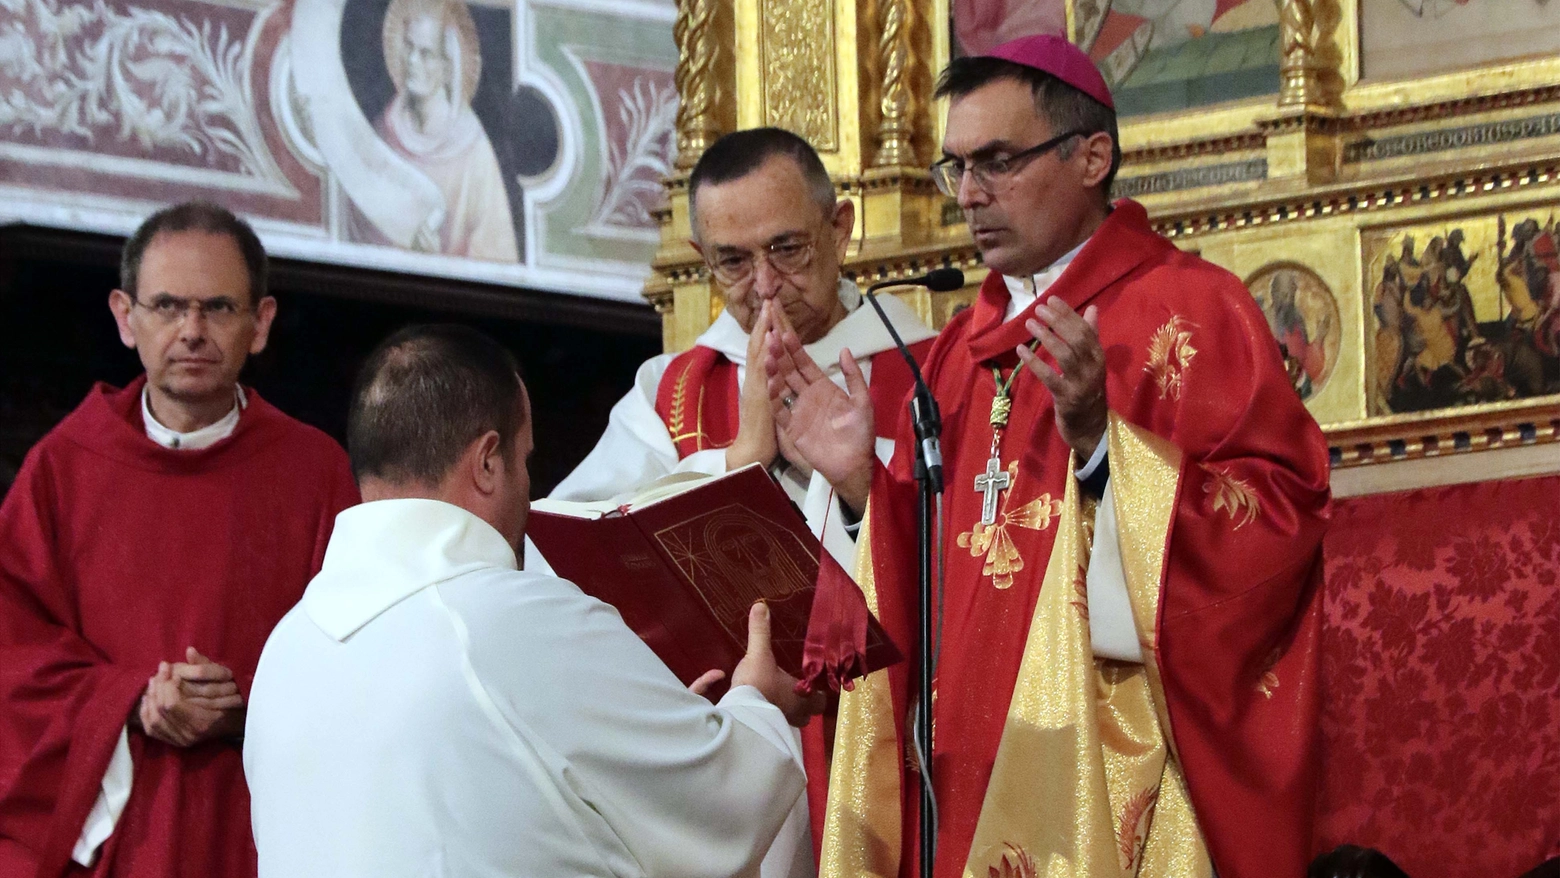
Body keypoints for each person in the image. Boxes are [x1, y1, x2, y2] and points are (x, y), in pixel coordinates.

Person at [766, 36, 1330, 878]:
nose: (968, 194)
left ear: (1092, 156)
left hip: (1101, 782)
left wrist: (1106, 446)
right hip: (955, 780)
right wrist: (858, 485)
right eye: (954, 168)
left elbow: (1276, 528)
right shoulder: (956, 355)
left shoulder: (1191, 313)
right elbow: (929, 590)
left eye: (997, 162)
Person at [244, 324, 812, 878]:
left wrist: (663, 735)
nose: (526, 484)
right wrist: (753, 702)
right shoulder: (513, 619)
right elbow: (728, 805)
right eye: (524, 459)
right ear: (488, 461)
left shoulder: (286, 647)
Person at [536, 126, 937, 878]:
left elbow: (972, 558)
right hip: (730, 748)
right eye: (733, 261)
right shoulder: (673, 390)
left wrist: (859, 486)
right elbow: (561, 548)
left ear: (840, 228)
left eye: (787, 249)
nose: (764, 286)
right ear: (703, 261)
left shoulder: (924, 369)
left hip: (893, 734)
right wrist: (737, 459)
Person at [0, 202, 360, 878]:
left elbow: (359, 658)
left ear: (261, 323)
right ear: (124, 316)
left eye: (218, 308)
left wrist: (243, 701)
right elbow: (11, 650)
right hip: (113, 835)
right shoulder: (64, 466)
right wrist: (132, 698)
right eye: (167, 306)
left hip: (259, 826)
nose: (191, 331)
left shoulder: (316, 474)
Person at [353, 0, 519, 262]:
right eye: (408, 47)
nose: (412, 61)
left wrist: (438, 259)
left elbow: (496, 257)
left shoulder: (474, 152)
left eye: (426, 53)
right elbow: (358, 230)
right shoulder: (383, 132)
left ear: (447, 66)